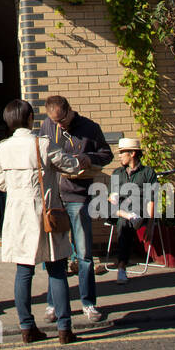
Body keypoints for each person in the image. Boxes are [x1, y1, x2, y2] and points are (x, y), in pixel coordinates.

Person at [0, 99, 78, 345]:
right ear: (30, 119)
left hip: (17, 215)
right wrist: (81, 161)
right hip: (45, 213)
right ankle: (64, 328)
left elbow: (0, 184)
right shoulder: (42, 143)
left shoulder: (3, 148)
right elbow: (70, 165)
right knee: (56, 269)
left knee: (23, 271)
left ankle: (27, 327)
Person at [39, 94, 113, 324]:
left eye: (62, 120)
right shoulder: (46, 126)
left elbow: (107, 154)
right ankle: (54, 304)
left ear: (70, 110)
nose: (59, 125)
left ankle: (88, 303)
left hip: (78, 195)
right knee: (54, 255)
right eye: (55, 122)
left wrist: (88, 158)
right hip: (54, 199)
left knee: (84, 254)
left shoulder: (90, 127)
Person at [107, 137, 158, 283]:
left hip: (140, 210)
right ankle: (130, 217)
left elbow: (152, 199)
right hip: (119, 210)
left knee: (124, 223)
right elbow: (111, 196)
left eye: (122, 152)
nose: (120, 155)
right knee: (106, 206)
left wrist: (150, 225)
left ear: (133, 154)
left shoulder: (147, 172)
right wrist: (112, 197)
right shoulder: (117, 173)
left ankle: (121, 268)